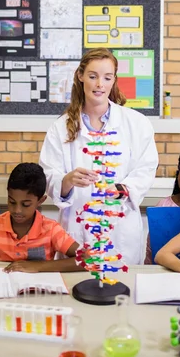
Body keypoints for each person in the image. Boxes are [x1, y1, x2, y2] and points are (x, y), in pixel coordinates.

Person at [39, 48, 158, 265]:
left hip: (120, 229)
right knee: (77, 290)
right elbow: (48, 174)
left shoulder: (136, 123)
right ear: (80, 76)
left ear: (114, 80)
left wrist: (122, 189)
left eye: (107, 77)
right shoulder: (60, 128)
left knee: (120, 290)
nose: (99, 84)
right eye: (93, 76)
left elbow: (147, 167)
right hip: (78, 227)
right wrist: (67, 181)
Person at [0, 163, 82, 273]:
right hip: (1, 288)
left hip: (36, 292)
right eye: (12, 202)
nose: (17, 210)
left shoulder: (51, 229)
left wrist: (39, 266)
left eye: (26, 204)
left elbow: (88, 259)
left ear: (40, 200)